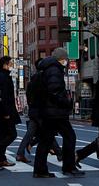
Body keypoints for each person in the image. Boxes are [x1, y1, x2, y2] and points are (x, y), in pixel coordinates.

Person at [33, 48, 84, 178]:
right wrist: (66, 102)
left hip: (47, 110)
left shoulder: (45, 68)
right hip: (56, 111)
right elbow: (54, 91)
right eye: (65, 59)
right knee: (69, 137)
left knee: (45, 140)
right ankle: (68, 167)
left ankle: (40, 169)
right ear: (62, 59)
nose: (66, 61)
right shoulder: (55, 70)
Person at [16, 58, 62, 163]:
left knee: (30, 134)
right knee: (48, 132)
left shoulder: (33, 79)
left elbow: (29, 96)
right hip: (41, 111)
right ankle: (60, 154)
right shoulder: (43, 78)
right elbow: (46, 95)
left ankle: (20, 153)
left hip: (34, 110)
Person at [0, 56, 21, 167]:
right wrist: (6, 113)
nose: (11, 65)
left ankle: (1, 157)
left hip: (4, 111)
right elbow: (3, 97)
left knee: (5, 134)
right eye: (10, 63)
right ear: (5, 64)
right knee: (11, 134)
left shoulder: (1, 76)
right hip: (6, 111)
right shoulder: (3, 77)